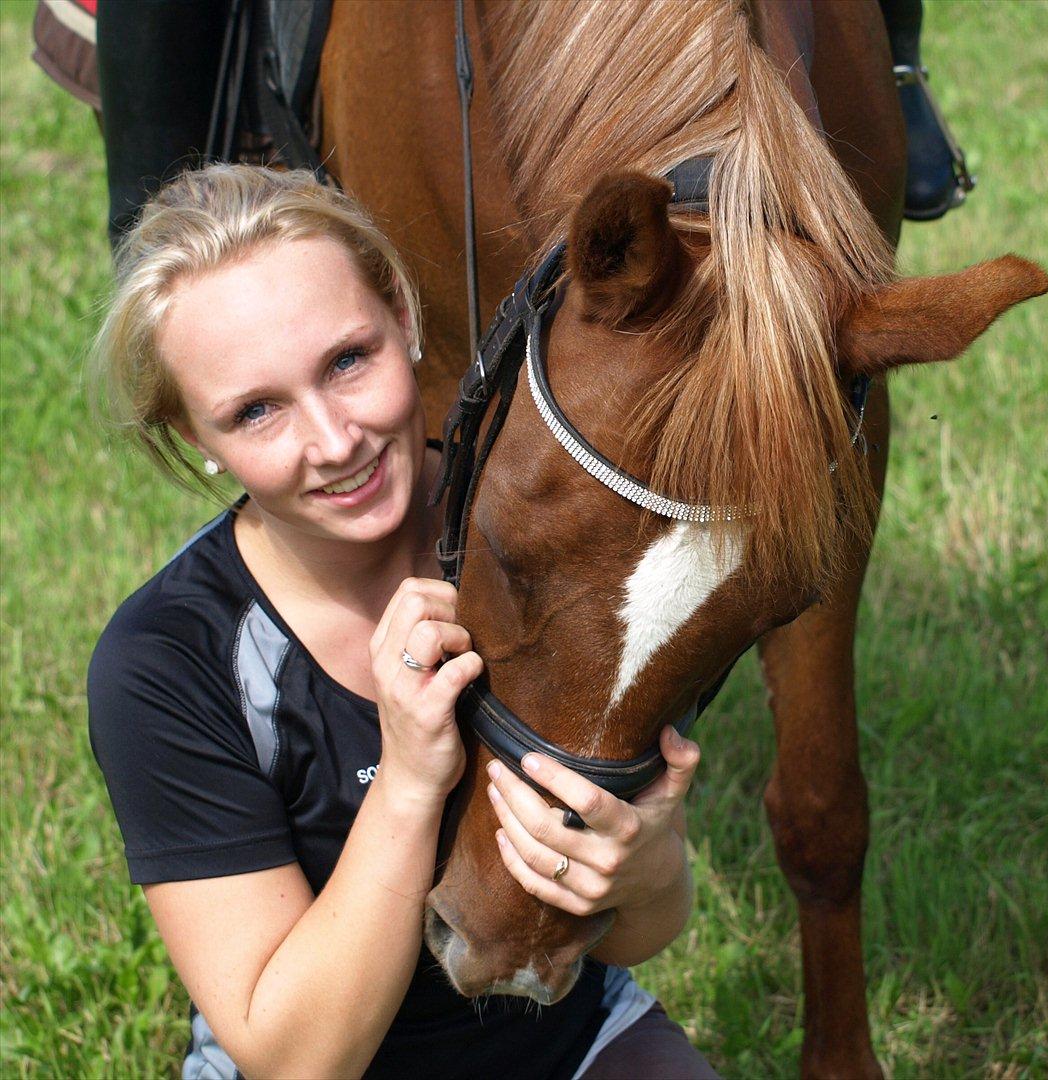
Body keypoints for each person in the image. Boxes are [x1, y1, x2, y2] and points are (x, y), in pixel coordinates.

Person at [87, 164, 718, 1079]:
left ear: (405, 319)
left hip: (575, 1045)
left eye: (348, 361)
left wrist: (650, 869)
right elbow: (296, 1060)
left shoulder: (549, 529)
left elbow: (637, 937)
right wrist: (410, 777)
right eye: (256, 411)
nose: (334, 441)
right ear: (197, 440)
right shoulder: (166, 663)